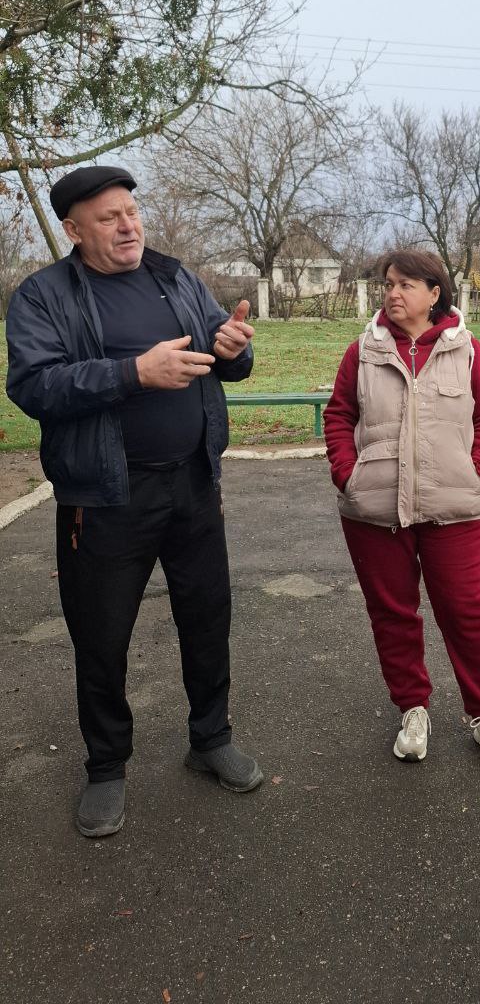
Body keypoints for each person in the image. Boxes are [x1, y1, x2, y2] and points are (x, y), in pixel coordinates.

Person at [5, 165, 262, 838]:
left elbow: (219, 350)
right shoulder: (43, 297)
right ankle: (106, 767)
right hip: (106, 496)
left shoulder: (174, 276)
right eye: (109, 217)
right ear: (73, 230)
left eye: (131, 211)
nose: (129, 225)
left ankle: (211, 738)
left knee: (208, 618)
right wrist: (132, 373)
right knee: (102, 635)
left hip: (193, 484)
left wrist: (232, 350)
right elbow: (33, 386)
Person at [323, 249, 480, 769]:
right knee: (392, 613)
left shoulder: (467, 350)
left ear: (435, 294)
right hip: (373, 507)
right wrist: (348, 472)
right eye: (389, 283)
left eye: (407, 284)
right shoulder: (361, 352)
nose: (392, 292)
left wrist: (477, 470)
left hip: (454, 504)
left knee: (466, 611)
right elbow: (339, 415)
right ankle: (412, 708)